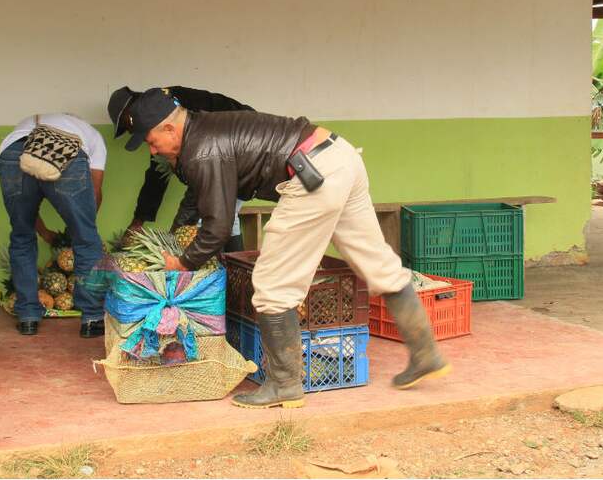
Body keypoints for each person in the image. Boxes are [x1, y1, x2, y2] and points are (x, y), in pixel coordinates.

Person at [124, 89, 451, 409]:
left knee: (271, 283)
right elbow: (206, 201)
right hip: (339, 156)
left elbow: (218, 227)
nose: (153, 152)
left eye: (152, 142)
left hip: (311, 176)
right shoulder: (206, 131)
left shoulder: (202, 147)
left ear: (169, 127)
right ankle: (425, 354)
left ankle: (284, 384)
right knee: (377, 262)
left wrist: (185, 262)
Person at [0, 113, 107, 338]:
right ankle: (92, 318)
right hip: (68, 154)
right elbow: (94, 191)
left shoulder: (25, 124)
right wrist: (82, 227)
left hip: (12, 153)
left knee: (21, 236)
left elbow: (26, 213)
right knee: (87, 239)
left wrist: (45, 232)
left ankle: (27, 316)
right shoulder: (91, 134)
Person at [107, 86, 253, 251]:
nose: (132, 131)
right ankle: (233, 272)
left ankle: (222, 273)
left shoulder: (166, 110)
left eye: (128, 125)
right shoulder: (159, 111)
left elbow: (198, 183)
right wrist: (139, 221)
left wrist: (174, 237)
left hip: (244, 142)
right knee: (226, 217)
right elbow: (158, 173)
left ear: (131, 110)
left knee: (208, 220)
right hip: (235, 146)